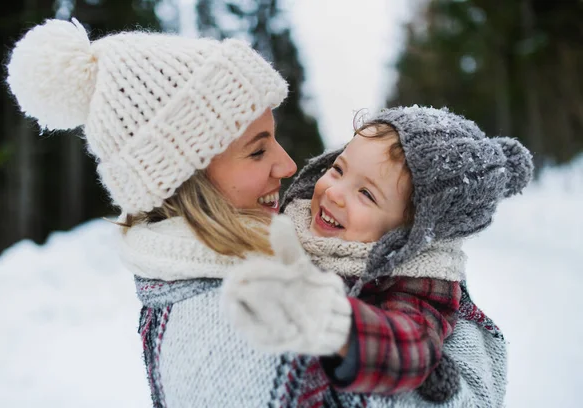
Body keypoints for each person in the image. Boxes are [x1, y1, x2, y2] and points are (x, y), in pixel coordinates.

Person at [6, 18, 519, 408]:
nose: (292, 166)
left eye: (368, 194)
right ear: (184, 177)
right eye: (257, 150)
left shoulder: (267, 254)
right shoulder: (231, 328)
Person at [222, 105, 533, 406]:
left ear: (410, 232)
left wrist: (336, 325)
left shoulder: (416, 278)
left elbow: (412, 346)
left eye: (366, 194)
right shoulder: (292, 221)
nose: (333, 192)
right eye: (338, 170)